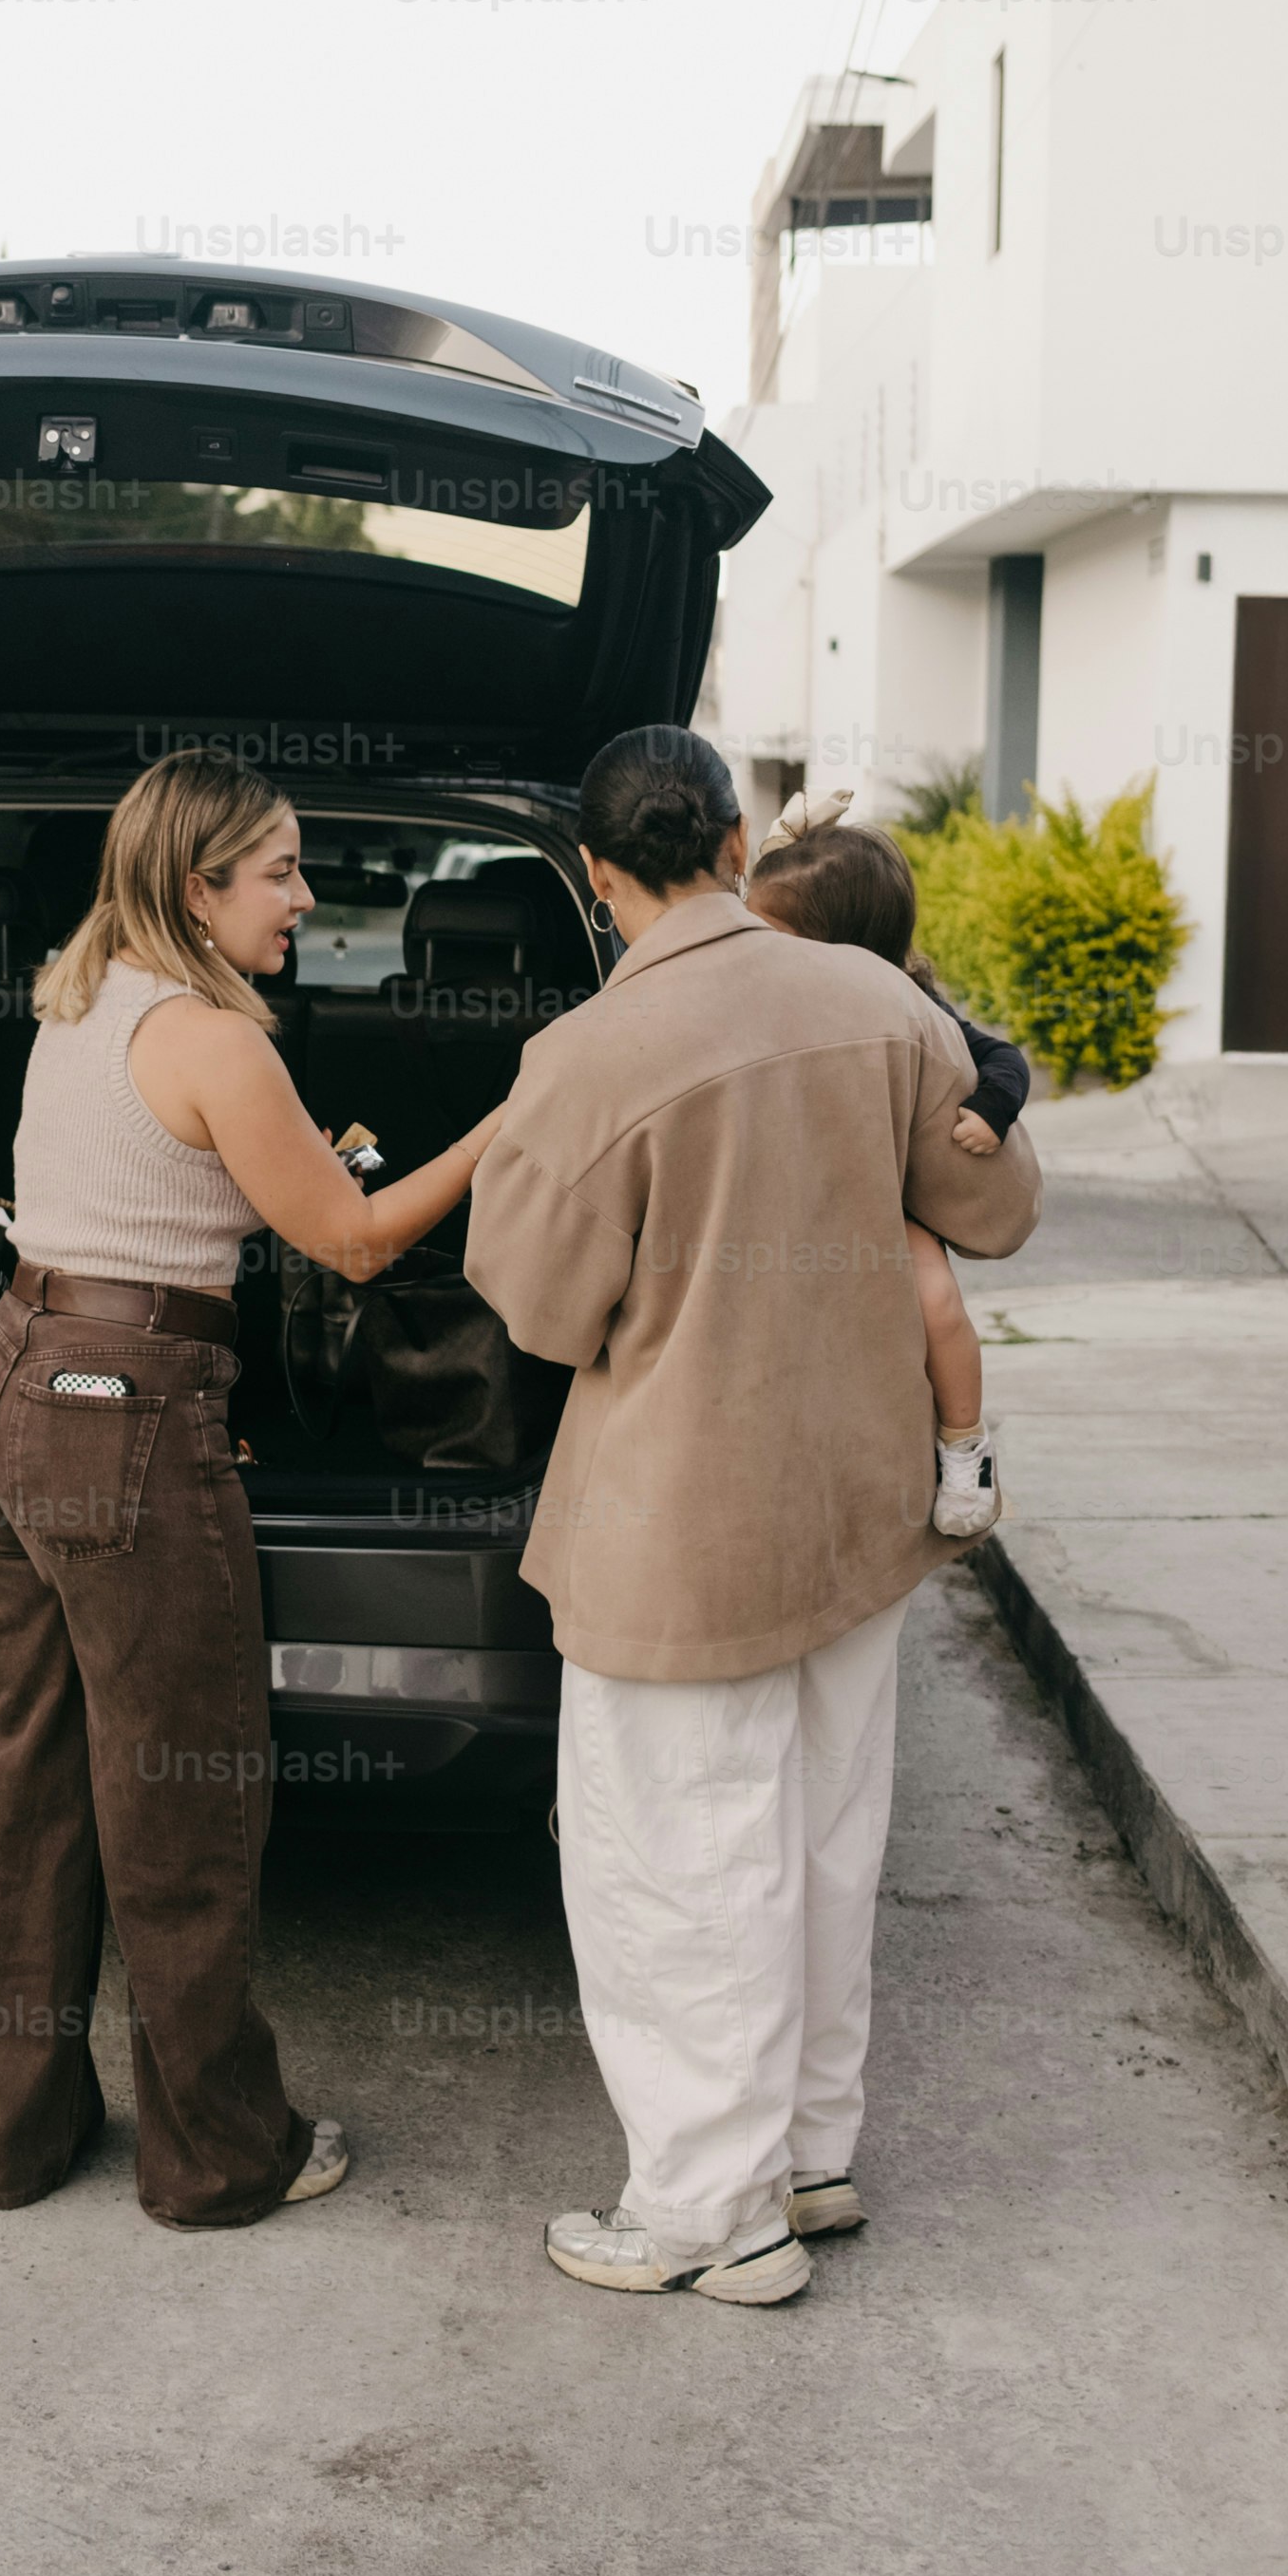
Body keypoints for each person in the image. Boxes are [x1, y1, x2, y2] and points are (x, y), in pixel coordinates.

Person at [463, 725, 1040, 2306]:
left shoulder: (585, 1054)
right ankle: (806, 2154)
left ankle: (706, 2216)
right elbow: (991, 1206)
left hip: (675, 1525)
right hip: (858, 1504)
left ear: (595, 867)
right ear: (729, 834)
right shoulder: (874, 999)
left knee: (672, 1856)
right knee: (822, 1833)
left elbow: (533, 1304)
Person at [0, 749, 503, 2228]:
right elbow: (357, 1241)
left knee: (19, 1773)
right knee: (180, 1792)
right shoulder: (213, 1042)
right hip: (118, 1408)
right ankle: (217, 2154)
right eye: (281, 870)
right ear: (199, 884)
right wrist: (510, 1122)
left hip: (6, 1387)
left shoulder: (81, 997)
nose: (304, 898)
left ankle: (1, 2138)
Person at [743, 790, 1029, 1539]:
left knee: (935, 1299)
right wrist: (770, 852)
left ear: (838, 943)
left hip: (882, 1197)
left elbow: (999, 1055)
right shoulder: (756, 988)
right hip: (788, 1192)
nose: (752, 942)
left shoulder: (908, 1000)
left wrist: (990, 1112)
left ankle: (965, 1444)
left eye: (772, 931)